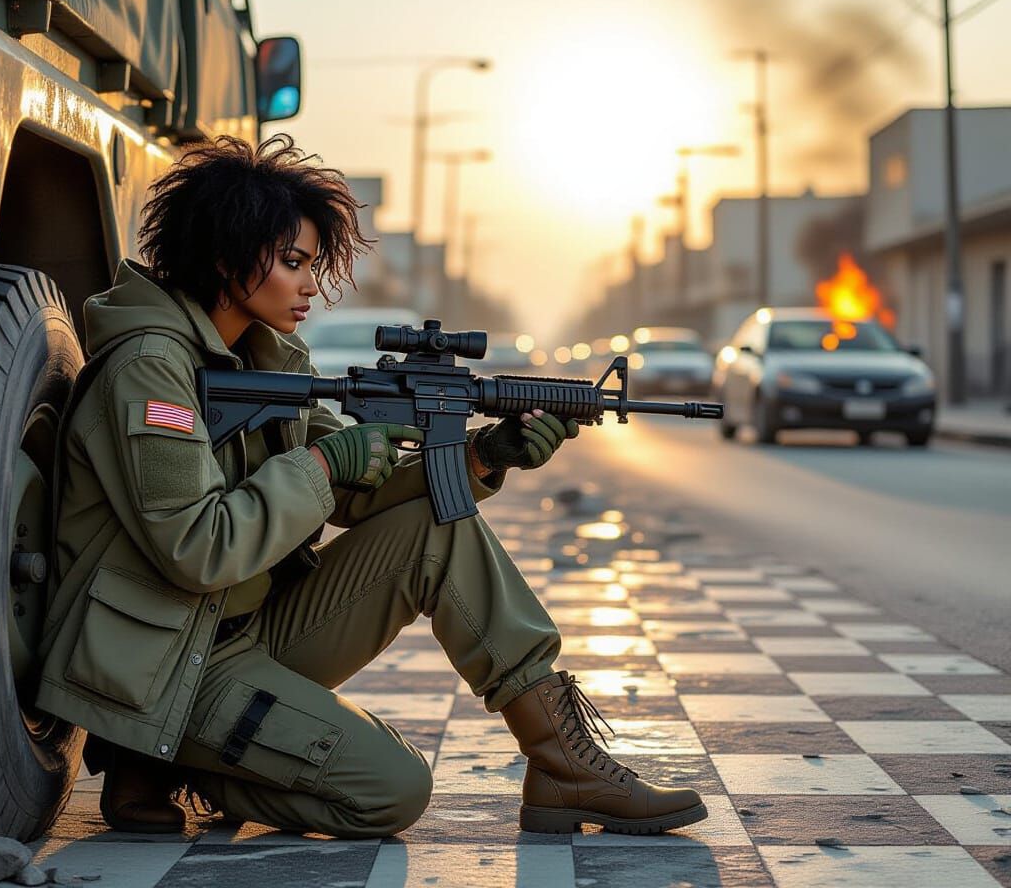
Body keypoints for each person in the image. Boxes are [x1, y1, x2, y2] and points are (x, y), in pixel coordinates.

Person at [36, 135, 707, 838]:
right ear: (224, 258)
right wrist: (327, 466)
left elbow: (355, 488)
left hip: (240, 635)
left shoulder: (256, 358)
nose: (309, 286)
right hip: (164, 665)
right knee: (394, 791)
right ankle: (177, 766)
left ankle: (564, 765)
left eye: (311, 265)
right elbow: (199, 548)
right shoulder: (149, 370)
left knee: (439, 527)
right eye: (292, 263)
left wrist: (482, 456)